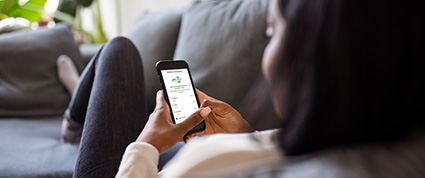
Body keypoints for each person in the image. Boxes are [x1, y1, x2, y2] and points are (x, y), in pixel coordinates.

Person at [57, 0, 425, 177]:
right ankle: (84, 102)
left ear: (314, 53)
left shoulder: (207, 168)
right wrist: (248, 132)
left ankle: (77, 115)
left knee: (119, 50)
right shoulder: (400, 146)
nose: (268, 52)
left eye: (272, 31)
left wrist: (147, 146)